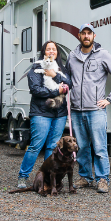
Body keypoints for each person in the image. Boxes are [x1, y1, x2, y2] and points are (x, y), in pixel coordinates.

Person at [66, 23, 111, 193]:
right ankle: (85, 177)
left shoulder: (103, 55)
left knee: (99, 147)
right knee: (82, 147)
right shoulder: (72, 56)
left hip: (96, 110)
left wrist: (109, 99)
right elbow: (68, 79)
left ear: (94, 36)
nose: (86, 36)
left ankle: (102, 179)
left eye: (89, 33)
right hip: (77, 110)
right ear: (79, 36)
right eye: (83, 33)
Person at [17, 41, 72, 188]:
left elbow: (69, 83)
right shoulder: (36, 67)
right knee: (36, 145)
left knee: (52, 147)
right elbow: (36, 89)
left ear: (57, 53)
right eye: (48, 49)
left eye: (54, 49)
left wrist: (55, 75)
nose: (51, 51)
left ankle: (49, 177)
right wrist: (56, 91)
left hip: (59, 113)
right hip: (41, 112)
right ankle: (23, 176)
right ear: (44, 52)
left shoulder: (61, 68)